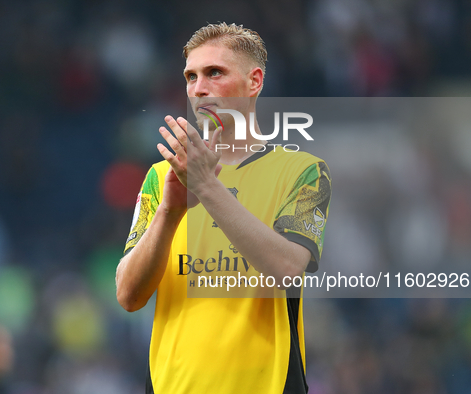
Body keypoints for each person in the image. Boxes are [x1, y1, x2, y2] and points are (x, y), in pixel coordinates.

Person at [116, 22, 331, 394]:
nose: (199, 88)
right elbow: (129, 296)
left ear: (254, 82)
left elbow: (287, 269)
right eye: (191, 76)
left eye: (215, 73)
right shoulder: (160, 177)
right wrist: (169, 211)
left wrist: (206, 187)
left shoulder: (304, 171)